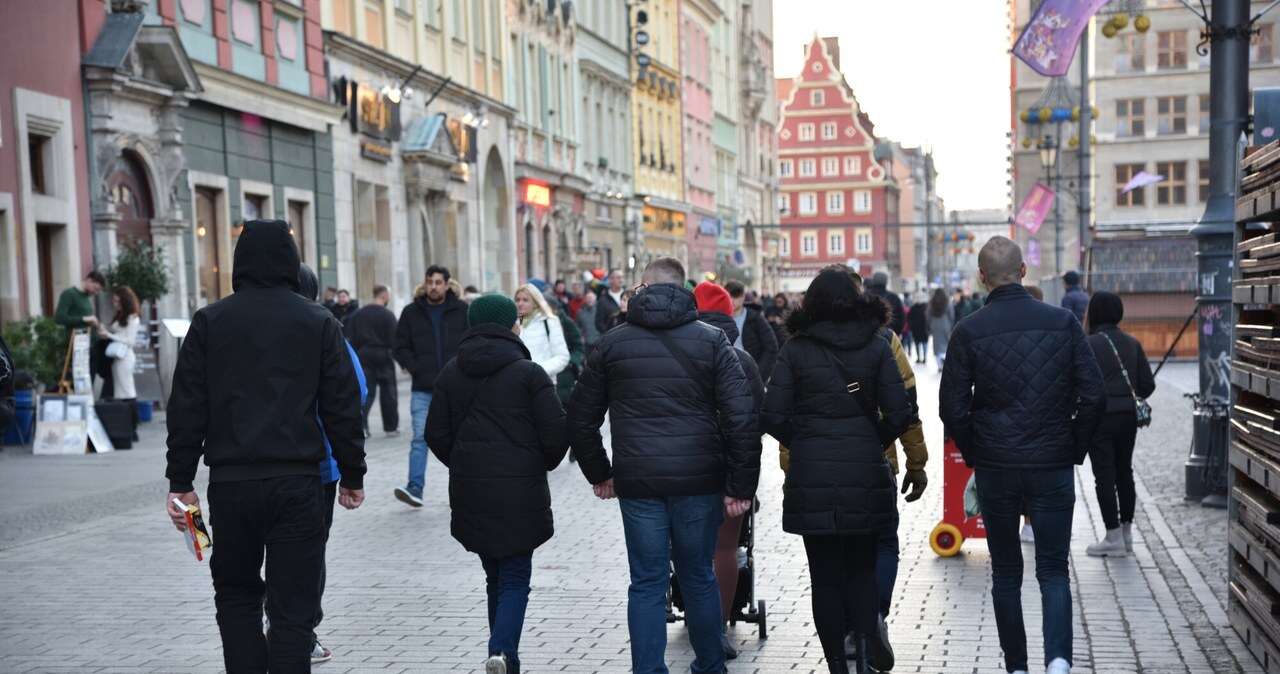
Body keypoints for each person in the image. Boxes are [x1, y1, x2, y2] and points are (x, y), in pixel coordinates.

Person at [164, 220, 366, 674]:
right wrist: (352, 474)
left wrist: (181, 481)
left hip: (233, 485)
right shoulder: (318, 321)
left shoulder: (211, 321)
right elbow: (342, 404)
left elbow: (186, 405)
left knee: (235, 594)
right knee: (293, 601)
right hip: (299, 482)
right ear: (291, 263)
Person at [569, 257, 760, 674]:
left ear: (642, 288)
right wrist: (740, 485)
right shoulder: (712, 341)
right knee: (698, 575)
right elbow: (741, 416)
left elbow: (581, 417)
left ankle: (649, 670)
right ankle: (711, 664)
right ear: (685, 289)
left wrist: (600, 472)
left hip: (638, 482)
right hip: (699, 478)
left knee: (647, 581)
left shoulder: (611, 343)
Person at [939, 236, 1105, 674]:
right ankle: (1058, 662)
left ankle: (1016, 666)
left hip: (996, 465)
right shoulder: (1063, 322)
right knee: (1053, 569)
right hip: (1051, 461)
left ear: (981, 277)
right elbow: (1094, 394)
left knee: (1006, 573)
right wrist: (1074, 446)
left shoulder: (968, 330)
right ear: (1023, 271)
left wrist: (977, 451)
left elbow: (951, 407)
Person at [761, 266, 913, 674]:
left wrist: (806, 441)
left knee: (825, 577)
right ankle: (863, 658)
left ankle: (837, 666)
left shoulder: (795, 348)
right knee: (862, 572)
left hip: (812, 477)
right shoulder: (878, 345)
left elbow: (771, 415)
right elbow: (902, 411)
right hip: (865, 472)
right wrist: (872, 438)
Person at [426, 294, 569, 674]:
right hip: (520, 489)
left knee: (495, 575)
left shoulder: (452, 372)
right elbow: (556, 433)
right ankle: (503, 651)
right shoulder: (529, 373)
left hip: (472, 489)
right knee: (516, 575)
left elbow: (435, 433)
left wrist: (462, 463)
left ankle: (506, 659)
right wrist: (540, 463)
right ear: (512, 326)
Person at [295, 263, 368, 664]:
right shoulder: (325, 329)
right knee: (306, 553)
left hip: (242, 469)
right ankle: (300, 632)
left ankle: (266, 625)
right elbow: (353, 392)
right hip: (315, 467)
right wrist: (351, 473)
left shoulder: (230, 326)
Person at [692, 281, 766, 660]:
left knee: (689, 551)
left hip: (685, 467)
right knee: (725, 548)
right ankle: (717, 630)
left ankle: (696, 620)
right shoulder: (743, 361)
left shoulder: (678, 351)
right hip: (728, 469)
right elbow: (756, 421)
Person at [1084, 291, 1156, 558]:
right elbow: (1147, 385)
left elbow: (1079, 383)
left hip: (1100, 418)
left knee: (1104, 475)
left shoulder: (1088, 344)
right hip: (1128, 418)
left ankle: (1112, 536)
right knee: (1124, 472)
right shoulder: (1132, 343)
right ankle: (1126, 534)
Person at [393, 265, 469, 508]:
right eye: (430, 282)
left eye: (438, 282)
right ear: (425, 284)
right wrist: (414, 367)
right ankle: (415, 487)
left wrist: (463, 366)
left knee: (460, 439)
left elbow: (472, 339)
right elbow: (399, 346)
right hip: (423, 388)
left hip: (455, 387)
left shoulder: (461, 310)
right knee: (419, 438)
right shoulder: (411, 312)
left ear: (447, 284)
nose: (433, 287)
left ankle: (464, 489)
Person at [345, 285, 400, 437]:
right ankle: (390, 428)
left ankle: (362, 426)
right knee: (388, 392)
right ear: (384, 296)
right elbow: (395, 339)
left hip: (364, 355)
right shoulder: (388, 315)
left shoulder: (358, 314)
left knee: (367, 392)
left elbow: (352, 337)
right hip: (383, 354)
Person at [98, 286, 142, 436]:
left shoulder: (133, 318)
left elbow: (130, 341)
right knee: (120, 392)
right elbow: (117, 332)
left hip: (125, 357)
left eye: (117, 301)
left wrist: (109, 335)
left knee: (127, 391)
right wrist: (107, 331)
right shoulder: (121, 315)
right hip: (117, 357)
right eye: (114, 301)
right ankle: (127, 427)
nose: (115, 303)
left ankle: (133, 428)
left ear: (125, 301)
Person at [56, 270, 107, 393]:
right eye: (96, 288)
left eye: (98, 290)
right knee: (79, 380)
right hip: (78, 344)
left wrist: (98, 326)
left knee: (90, 379)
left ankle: (87, 405)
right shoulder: (69, 294)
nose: (96, 292)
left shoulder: (86, 298)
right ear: (89, 280)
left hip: (91, 344)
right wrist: (85, 319)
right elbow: (59, 318)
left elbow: (87, 320)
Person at [724, 280, 779, 382]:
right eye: (729, 295)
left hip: (750, 374)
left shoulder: (755, 318)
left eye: (736, 295)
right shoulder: (719, 317)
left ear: (743, 297)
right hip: (726, 376)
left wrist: (759, 375)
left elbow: (771, 347)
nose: (732, 300)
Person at [514, 285, 571, 380]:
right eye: (517, 300)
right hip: (518, 384)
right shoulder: (514, 323)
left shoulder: (549, 321)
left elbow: (562, 357)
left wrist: (537, 371)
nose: (520, 303)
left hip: (543, 384)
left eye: (525, 300)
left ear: (535, 302)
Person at [927, 288, 954, 369]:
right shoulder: (947, 302)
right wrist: (951, 325)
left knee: (937, 345)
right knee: (946, 344)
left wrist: (929, 326)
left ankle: (939, 365)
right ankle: (945, 361)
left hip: (935, 325)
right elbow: (951, 315)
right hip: (946, 324)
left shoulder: (931, 302)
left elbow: (928, 316)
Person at [596, 270, 626, 335]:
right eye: (618, 277)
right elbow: (599, 323)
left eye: (622, 277)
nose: (621, 280)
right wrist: (608, 335)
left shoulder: (629, 295)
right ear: (610, 280)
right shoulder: (603, 300)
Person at [907, 294, 930, 365]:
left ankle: (920, 358)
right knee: (923, 343)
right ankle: (922, 358)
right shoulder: (926, 307)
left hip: (917, 329)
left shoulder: (914, 308)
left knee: (920, 343)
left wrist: (911, 326)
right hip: (922, 329)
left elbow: (909, 318)